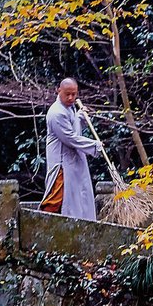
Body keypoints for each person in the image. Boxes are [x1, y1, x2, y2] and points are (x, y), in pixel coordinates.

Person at [39, 77, 99, 220]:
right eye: (67, 94)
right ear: (59, 91)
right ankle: (43, 225)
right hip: (61, 163)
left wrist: (80, 118)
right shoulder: (56, 113)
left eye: (74, 94)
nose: (71, 97)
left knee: (80, 197)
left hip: (75, 161)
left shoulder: (70, 108)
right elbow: (70, 138)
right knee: (57, 199)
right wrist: (94, 145)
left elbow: (74, 129)